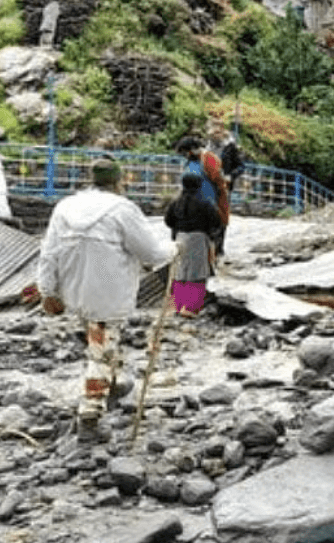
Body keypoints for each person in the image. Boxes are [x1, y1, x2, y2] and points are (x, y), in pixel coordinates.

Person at [37, 158, 177, 428]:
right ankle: (90, 413)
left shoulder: (65, 206)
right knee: (100, 349)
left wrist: (47, 290)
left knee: (98, 343)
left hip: (74, 288)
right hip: (108, 292)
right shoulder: (122, 209)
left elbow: (48, 252)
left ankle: (111, 384)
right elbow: (150, 253)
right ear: (118, 181)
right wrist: (174, 249)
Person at [163, 172, 222, 316]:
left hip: (180, 238)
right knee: (196, 273)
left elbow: (168, 221)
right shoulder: (205, 203)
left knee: (180, 272)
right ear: (199, 185)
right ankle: (191, 307)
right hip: (199, 239)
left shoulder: (175, 203)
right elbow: (216, 221)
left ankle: (179, 305)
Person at [176, 136, 231, 254]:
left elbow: (218, 180)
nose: (184, 156)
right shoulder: (190, 162)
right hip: (194, 203)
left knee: (212, 234)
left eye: (185, 152)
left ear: (191, 150)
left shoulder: (209, 158)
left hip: (210, 202)